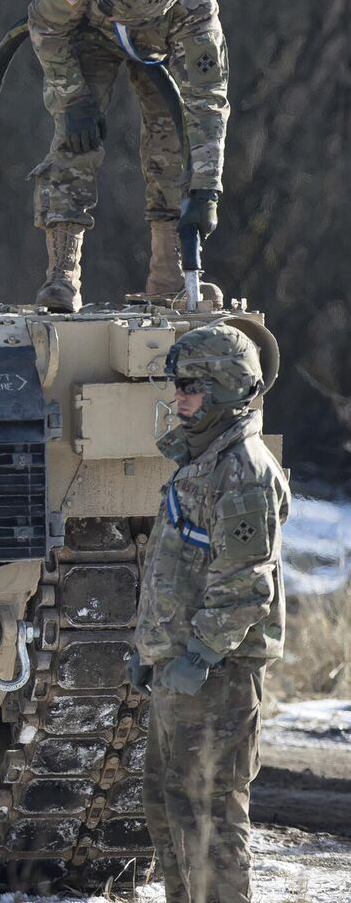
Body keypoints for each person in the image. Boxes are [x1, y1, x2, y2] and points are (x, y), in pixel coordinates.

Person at [130, 323, 287, 903]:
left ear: (226, 389)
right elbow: (180, 569)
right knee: (169, 810)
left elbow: (247, 585)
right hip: (182, 671)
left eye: (191, 386)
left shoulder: (240, 470)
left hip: (217, 675)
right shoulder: (201, 461)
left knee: (211, 819)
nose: (179, 398)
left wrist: (197, 654)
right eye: (177, 385)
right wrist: (149, 647)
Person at [26, 0, 229, 312]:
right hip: (88, 36)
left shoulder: (196, 12)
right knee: (75, 141)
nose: (109, 9)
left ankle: (170, 279)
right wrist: (72, 100)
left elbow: (207, 103)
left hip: (161, 48)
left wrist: (205, 189)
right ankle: (61, 276)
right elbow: (46, 24)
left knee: (170, 147)